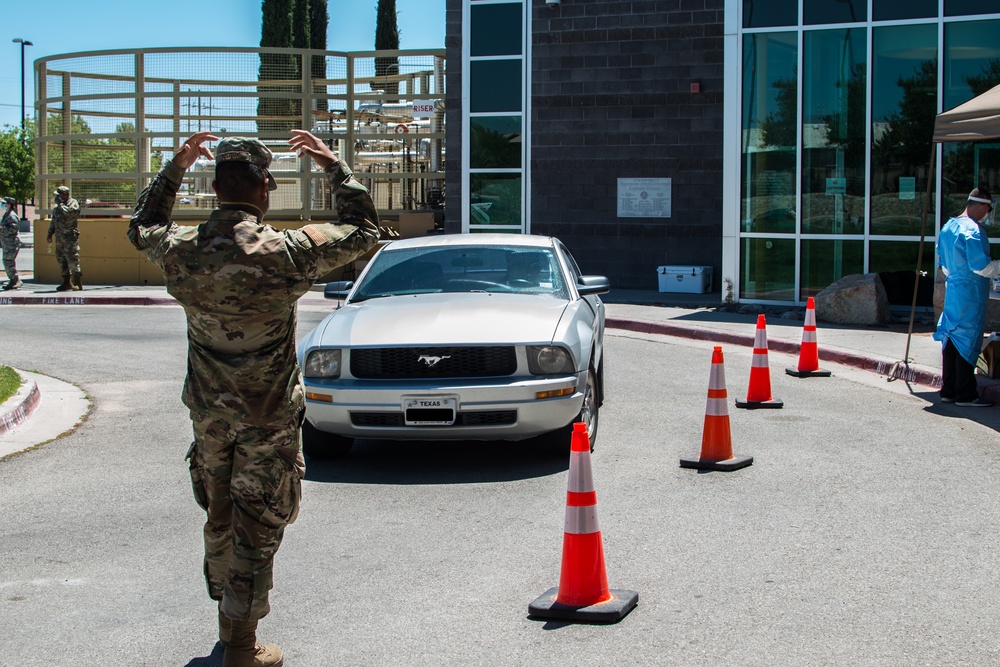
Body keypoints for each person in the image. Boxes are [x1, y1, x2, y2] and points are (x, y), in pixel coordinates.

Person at [127, 131, 379, 666]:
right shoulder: (287, 252)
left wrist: (175, 167)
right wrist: (334, 165)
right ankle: (240, 643)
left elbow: (141, 226)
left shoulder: (182, 250)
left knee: (220, 515)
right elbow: (365, 230)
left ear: (216, 188)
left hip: (211, 418)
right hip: (267, 421)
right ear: (265, 189)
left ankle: (227, 613)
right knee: (257, 523)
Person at [934, 187, 1000, 407]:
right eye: (988, 210)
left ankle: (949, 390)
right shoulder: (972, 230)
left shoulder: (948, 227)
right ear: (982, 205)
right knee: (968, 341)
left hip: (953, 292)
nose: (987, 214)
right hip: (971, 295)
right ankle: (966, 394)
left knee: (951, 338)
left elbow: (943, 265)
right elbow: (981, 266)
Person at [46, 185, 82, 292]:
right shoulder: (57, 208)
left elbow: (69, 214)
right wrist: (49, 234)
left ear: (65, 195)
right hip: (60, 238)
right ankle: (66, 282)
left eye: (59, 195)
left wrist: (61, 205)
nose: (57, 198)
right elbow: (54, 222)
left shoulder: (73, 203)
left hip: (70, 237)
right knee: (61, 259)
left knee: (72, 259)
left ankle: (77, 283)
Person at [1, 196, 22, 290]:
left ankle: (14, 280)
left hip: (11, 243)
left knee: (7, 261)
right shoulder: (7, 214)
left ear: (9, 204)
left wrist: (1, 229)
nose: (3, 205)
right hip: (7, 243)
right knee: (9, 261)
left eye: (4, 203)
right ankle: (15, 280)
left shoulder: (12, 215)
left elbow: (13, 229)